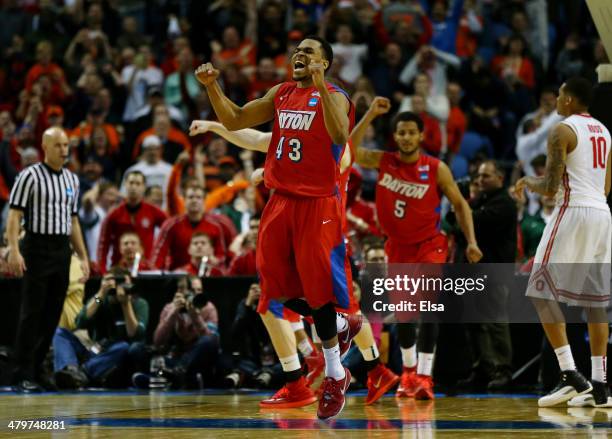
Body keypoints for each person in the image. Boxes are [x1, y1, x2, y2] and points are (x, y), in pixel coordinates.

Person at [195, 36, 359, 420]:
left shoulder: (335, 96)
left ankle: (336, 373)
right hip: (279, 200)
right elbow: (236, 119)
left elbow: (338, 136)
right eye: (297, 51)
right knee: (274, 289)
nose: (299, 55)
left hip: (317, 204)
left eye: (309, 52)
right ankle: (338, 322)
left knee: (317, 289)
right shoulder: (282, 93)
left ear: (325, 64)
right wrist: (212, 88)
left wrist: (320, 85)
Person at [350, 98, 482, 400]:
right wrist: (370, 113)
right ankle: (408, 375)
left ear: (421, 135)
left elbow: (461, 206)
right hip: (397, 247)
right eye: (401, 132)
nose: (407, 137)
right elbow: (349, 150)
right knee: (405, 315)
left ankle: (425, 375)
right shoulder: (383, 161)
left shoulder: (436, 168)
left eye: (412, 132)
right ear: (395, 136)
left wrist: (471, 242)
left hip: (430, 245)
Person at [515, 77, 612, 408]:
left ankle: (571, 374)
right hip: (602, 213)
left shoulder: (562, 130)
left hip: (574, 211)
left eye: (559, 95)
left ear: (569, 100)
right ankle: (601, 384)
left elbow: (551, 186)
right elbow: (606, 186)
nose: (556, 99)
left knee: (538, 289)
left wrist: (528, 180)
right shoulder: (605, 131)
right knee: (596, 300)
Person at [6, 127, 90, 392]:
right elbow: (14, 216)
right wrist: (14, 249)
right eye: (58, 146)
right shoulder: (29, 176)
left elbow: (74, 221)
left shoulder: (72, 180)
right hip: (36, 246)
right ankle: (22, 372)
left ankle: (39, 366)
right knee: (32, 311)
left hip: (61, 249)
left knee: (53, 312)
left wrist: (83, 256)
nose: (64, 150)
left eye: (66, 146)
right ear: (45, 146)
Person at [53, 268, 149, 389]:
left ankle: (81, 374)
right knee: (60, 333)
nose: (116, 286)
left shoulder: (138, 303)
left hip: (116, 356)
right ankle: (70, 370)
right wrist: (101, 294)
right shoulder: (99, 301)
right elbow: (80, 322)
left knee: (124, 346)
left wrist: (126, 303)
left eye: (121, 282)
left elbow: (135, 335)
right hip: (95, 351)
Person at [97, 170, 167, 272]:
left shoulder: (153, 212)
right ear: (125, 185)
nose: (134, 187)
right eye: (131, 183)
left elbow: (170, 234)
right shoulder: (113, 215)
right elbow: (103, 245)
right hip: (119, 269)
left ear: (144, 187)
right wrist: (102, 270)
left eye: (138, 183)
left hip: (147, 269)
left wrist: (160, 263)